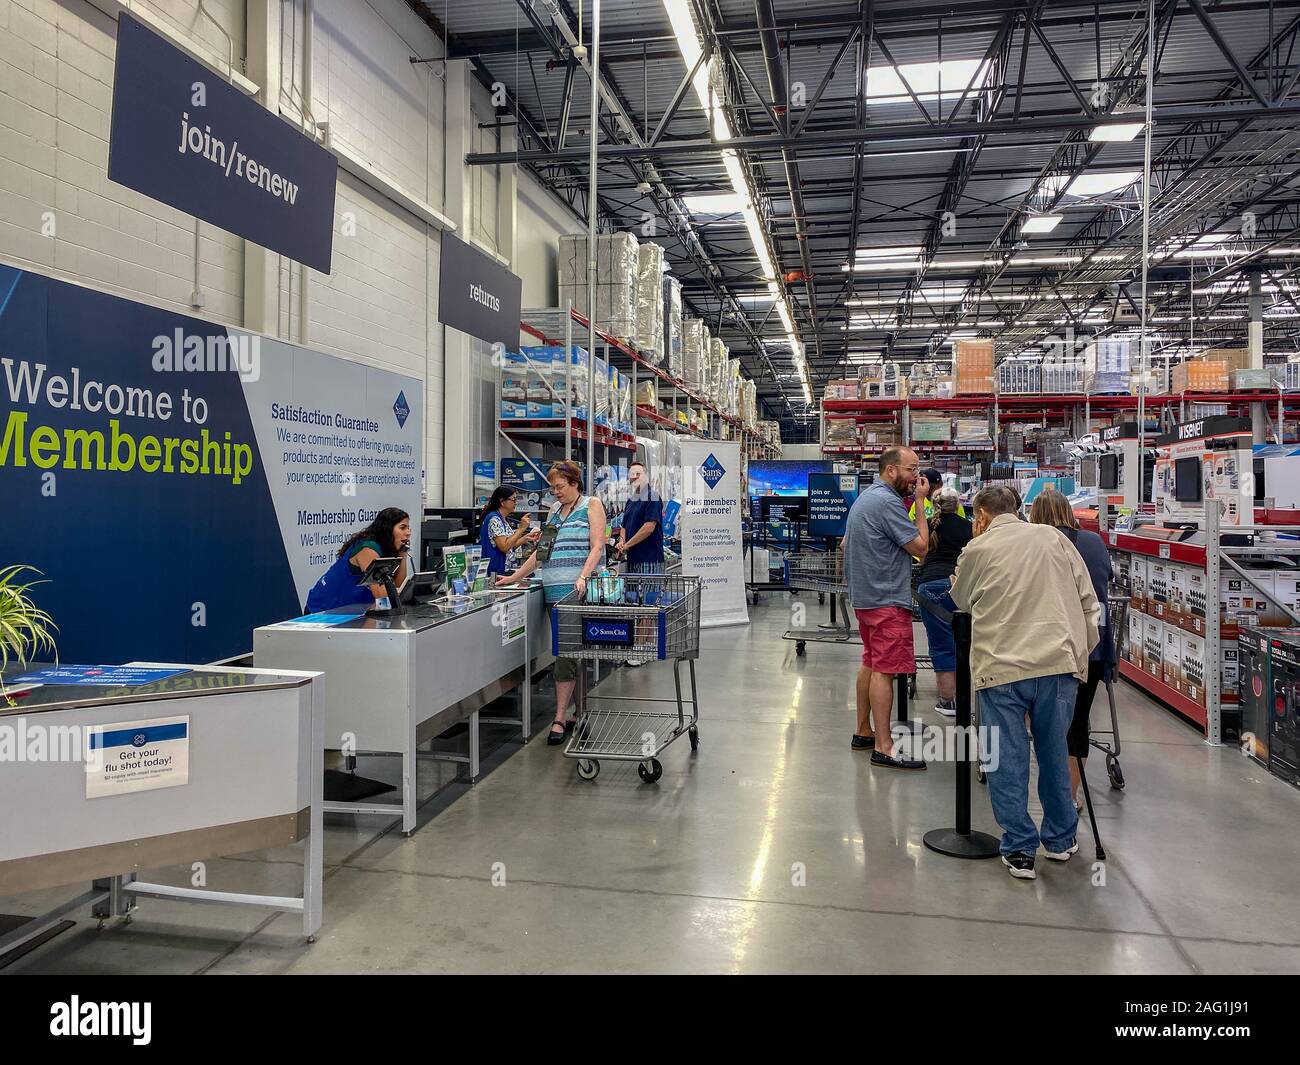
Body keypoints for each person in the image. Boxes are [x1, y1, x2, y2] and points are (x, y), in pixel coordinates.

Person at [950, 486, 1101, 880]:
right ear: (1018, 509)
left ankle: (1019, 849)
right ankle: (1060, 839)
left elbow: (960, 599)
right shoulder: (1054, 538)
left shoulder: (978, 548)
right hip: (1057, 662)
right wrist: (1078, 652)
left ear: (981, 515)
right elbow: (1088, 599)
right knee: (1054, 750)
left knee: (1007, 757)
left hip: (1002, 666)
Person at [499, 461, 608, 745]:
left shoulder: (592, 505)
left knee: (566, 653)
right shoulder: (554, 511)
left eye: (559, 487)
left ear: (574, 483)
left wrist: (583, 576)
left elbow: (597, 546)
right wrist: (514, 577)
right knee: (572, 652)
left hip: (575, 592)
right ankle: (580, 712)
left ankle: (559, 717)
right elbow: (542, 553)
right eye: (553, 488)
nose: (555, 492)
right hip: (552, 592)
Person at [842, 445, 930, 770]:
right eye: (911, 469)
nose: (916, 477)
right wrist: (920, 504)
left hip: (866, 598)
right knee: (886, 670)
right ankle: (884, 746)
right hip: (887, 600)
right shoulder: (888, 502)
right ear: (890, 470)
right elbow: (921, 548)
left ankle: (863, 731)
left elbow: (846, 544)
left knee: (870, 662)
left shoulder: (866, 498)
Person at [1029, 488, 1115, 810]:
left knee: (1046, 718)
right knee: (1078, 719)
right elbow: (1105, 579)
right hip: (1094, 643)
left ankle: (1052, 788)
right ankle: (1070, 795)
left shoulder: (1034, 543)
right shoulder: (1094, 542)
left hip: (1052, 643)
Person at [914, 486, 973, 717]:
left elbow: (920, 556)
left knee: (941, 644)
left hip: (930, 587)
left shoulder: (928, 526)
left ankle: (947, 701)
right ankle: (966, 697)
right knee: (965, 642)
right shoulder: (968, 527)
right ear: (957, 505)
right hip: (959, 584)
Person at [305, 507, 411, 613]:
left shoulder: (388, 549)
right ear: (387, 529)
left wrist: (403, 553)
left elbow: (399, 587)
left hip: (351, 611)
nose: (408, 533)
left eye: (408, 528)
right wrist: (393, 599)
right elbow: (382, 598)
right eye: (402, 528)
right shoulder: (368, 549)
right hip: (324, 610)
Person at [614, 460, 664, 668]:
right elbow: (624, 526)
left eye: (638, 474)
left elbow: (648, 528)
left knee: (647, 605)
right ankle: (648, 644)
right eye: (631, 475)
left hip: (649, 559)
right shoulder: (632, 500)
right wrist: (622, 542)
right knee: (638, 604)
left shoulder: (652, 497)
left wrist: (627, 545)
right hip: (634, 559)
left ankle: (640, 648)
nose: (634, 477)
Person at [479, 486, 535, 577]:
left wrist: (526, 538)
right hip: (494, 571)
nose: (516, 502)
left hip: (503, 569)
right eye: (513, 499)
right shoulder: (494, 519)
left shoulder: (502, 519)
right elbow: (504, 547)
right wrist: (521, 529)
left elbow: (510, 545)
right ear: (502, 501)